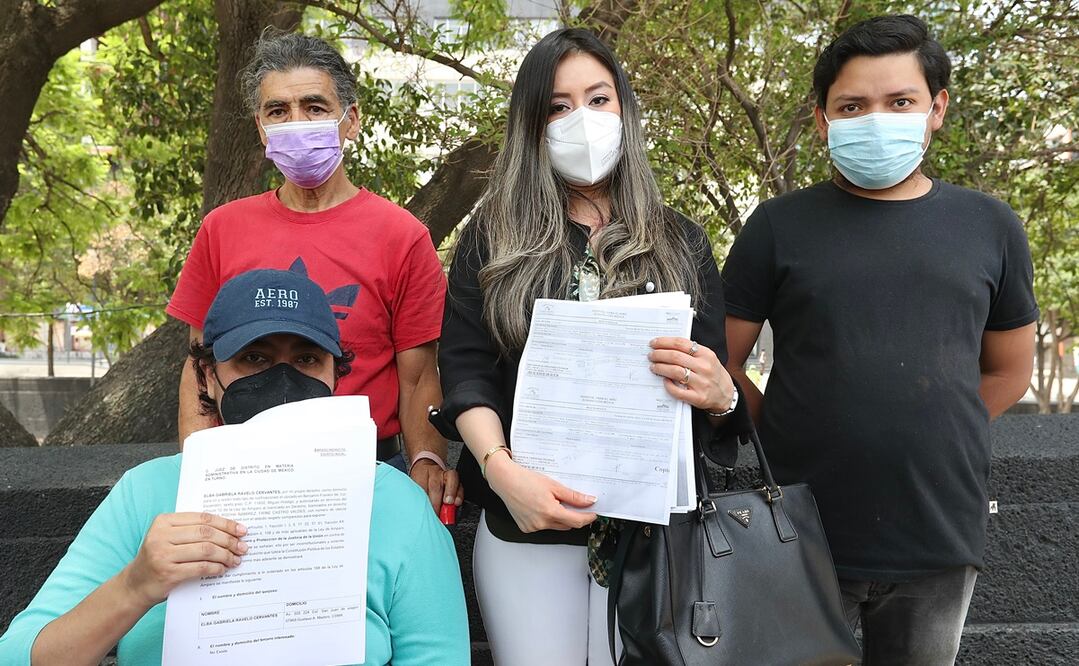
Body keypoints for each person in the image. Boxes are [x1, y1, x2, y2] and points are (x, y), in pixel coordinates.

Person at [721, 15, 1038, 665]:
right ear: (821, 120)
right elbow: (720, 362)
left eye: (898, 102)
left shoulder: (989, 226)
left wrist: (936, 427)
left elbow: (1009, 371)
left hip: (938, 528)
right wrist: (777, 433)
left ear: (936, 108)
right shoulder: (778, 227)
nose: (875, 118)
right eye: (851, 105)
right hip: (798, 528)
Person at [430, 28, 746, 665]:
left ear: (626, 109)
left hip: (653, 539)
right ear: (531, 125)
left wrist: (722, 394)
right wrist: (500, 469)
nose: (583, 119)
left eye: (598, 99)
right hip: (525, 528)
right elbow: (466, 369)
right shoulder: (491, 237)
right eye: (558, 106)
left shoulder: (680, 241)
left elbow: (719, 399)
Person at [0, 269, 469, 665]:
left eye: (306, 358)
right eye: (254, 358)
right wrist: (135, 586)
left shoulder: (396, 503)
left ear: (335, 372)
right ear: (207, 375)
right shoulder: (147, 492)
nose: (282, 378)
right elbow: (20, 655)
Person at [166, 30, 461, 512]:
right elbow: (199, 367)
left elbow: (418, 376)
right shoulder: (221, 229)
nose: (295, 122)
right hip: (243, 474)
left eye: (315, 107)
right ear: (261, 128)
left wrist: (426, 459)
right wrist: (200, 472)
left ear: (351, 121)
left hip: (366, 475)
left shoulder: (401, 235)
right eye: (277, 111)